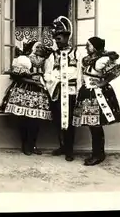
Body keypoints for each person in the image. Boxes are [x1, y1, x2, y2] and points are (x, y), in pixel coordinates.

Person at [73, 36, 120, 166]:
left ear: (95, 47)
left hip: (97, 94)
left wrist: (104, 82)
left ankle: (98, 155)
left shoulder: (102, 60)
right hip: (87, 93)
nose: (86, 47)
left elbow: (116, 71)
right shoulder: (88, 59)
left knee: (96, 125)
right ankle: (97, 153)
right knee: (92, 125)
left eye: (88, 45)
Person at [0, 40, 53, 155]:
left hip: (40, 91)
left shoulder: (46, 60)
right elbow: (17, 77)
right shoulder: (25, 59)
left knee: (36, 120)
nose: (39, 49)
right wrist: (33, 82)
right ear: (32, 48)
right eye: (37, 47)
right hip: (25, 89)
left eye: (41, 47)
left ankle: (33, 145)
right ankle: (25, 144)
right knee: (25, 119)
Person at [44, 16, 83, 162]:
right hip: (58, 92)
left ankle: (69, 150)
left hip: (71, 93)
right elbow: (47, 74)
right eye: (55, 39)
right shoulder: (52, 56)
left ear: (66, 37)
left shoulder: (76, 54)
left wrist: (79, 92)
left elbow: (79, 74)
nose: (57, 41)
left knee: (70, 122)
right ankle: (62, 146)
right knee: (59, 121)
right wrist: (55, 81)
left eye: (59, 38)